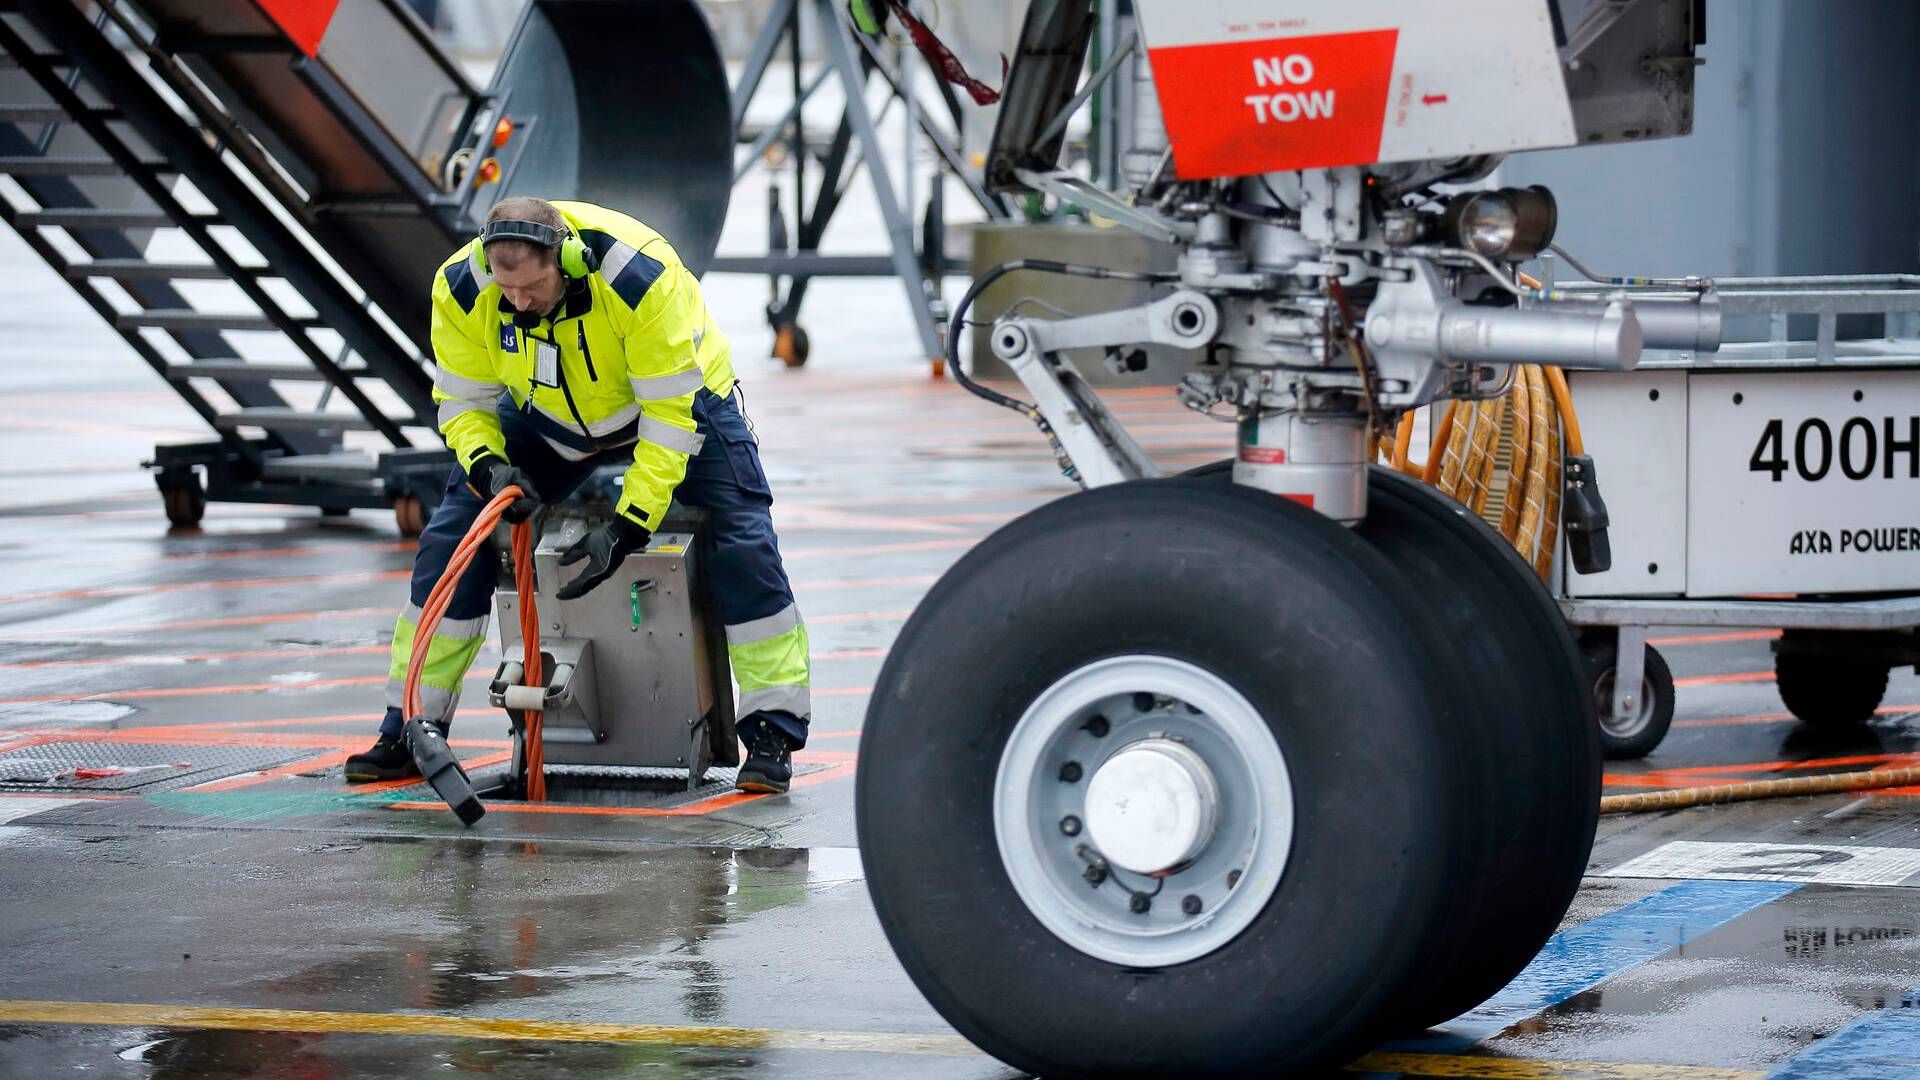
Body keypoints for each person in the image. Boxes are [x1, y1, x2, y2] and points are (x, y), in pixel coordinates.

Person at [344, 196, 810, 793]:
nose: (518, 303)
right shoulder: (463, 288)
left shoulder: (641, 281)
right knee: (457, 537)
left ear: (567, 260)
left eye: (533, 289)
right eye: (506, 291)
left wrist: (628, 527)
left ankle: (772, 731)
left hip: (673, 406)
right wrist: (488, 468)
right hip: (551, 416)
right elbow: (463, 401)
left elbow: (670, 418)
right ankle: (409, 727)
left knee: (743, 539)